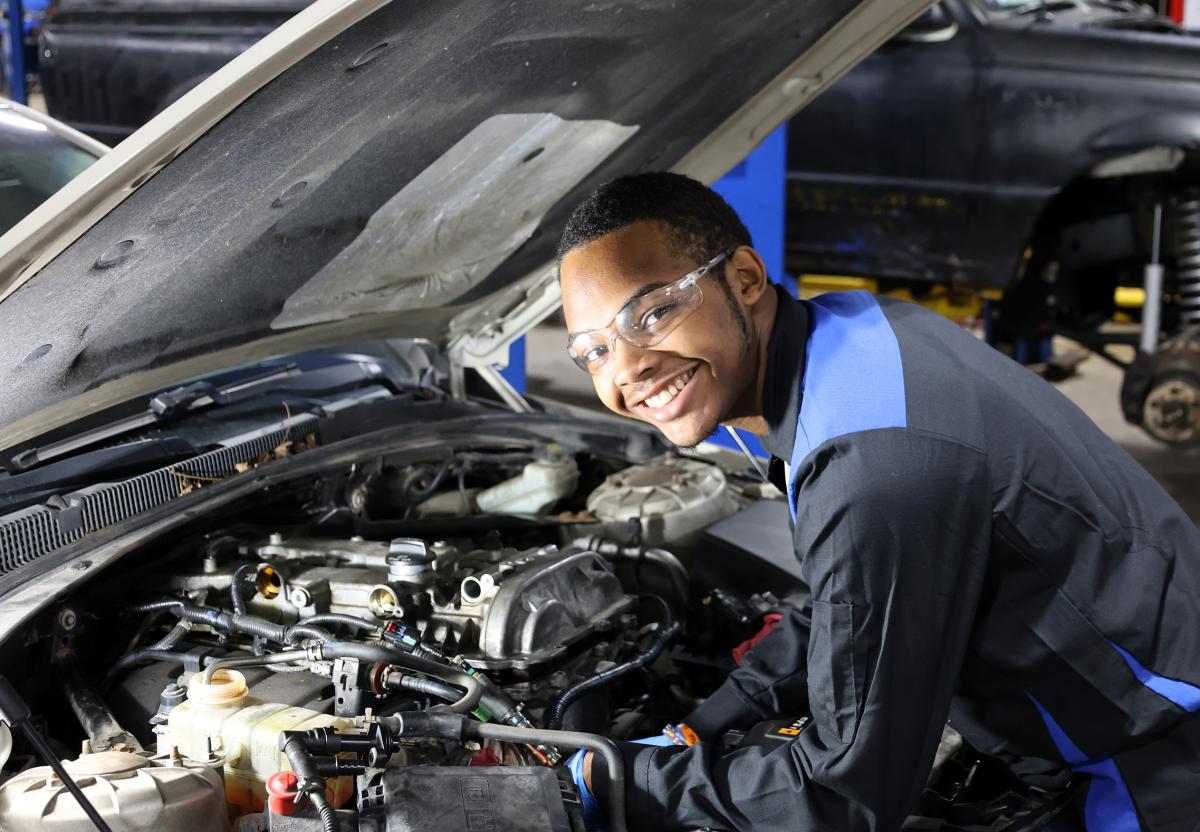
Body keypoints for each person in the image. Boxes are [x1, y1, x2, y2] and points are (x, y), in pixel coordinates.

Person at [555, 172, 1200, 832]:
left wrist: (611, 784)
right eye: (593, 350)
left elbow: (843, 795)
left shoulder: (873, 468)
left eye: (653, 313)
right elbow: (853, 606)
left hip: (1150, 764)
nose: (625, 369)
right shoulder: (853, 333)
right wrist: (705, 722)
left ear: (745, 279)